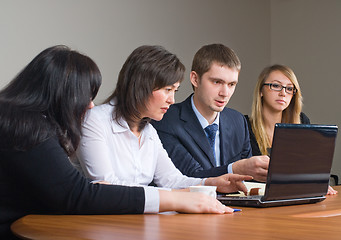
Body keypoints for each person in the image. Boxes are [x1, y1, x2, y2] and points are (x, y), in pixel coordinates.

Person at [0, 46, 240, 239]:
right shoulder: (28, 128)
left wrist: (209, 184)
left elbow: (172, 180)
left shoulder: (23, 122)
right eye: (85, 96)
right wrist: (176, 198)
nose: (90, 105)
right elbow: (77, 194)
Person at [74, 45, 252, 195]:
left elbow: (172, 179)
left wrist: (213, 183)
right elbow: (106, 186)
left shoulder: (149, 131)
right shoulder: (95, 121)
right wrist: (170, 197)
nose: (172, 100)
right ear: (142, 86)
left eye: (174, 91)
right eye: (167, 90)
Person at [151, 43, 269, 182]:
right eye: (217, 82)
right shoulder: (166, 120)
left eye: (231, 84)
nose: (225, 93)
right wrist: (235, 169)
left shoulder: (238, 121)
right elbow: (188, 177)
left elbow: (249, 178)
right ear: (195, 79)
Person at [246, 64, 337, 194]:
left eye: (289, 89)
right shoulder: (244, 126)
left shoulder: (302, 122)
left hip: (293, 197)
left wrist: (316, 183)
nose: (283, 93)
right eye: (276, 86)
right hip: (256, 201)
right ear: (261, 91)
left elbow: (309, 168)